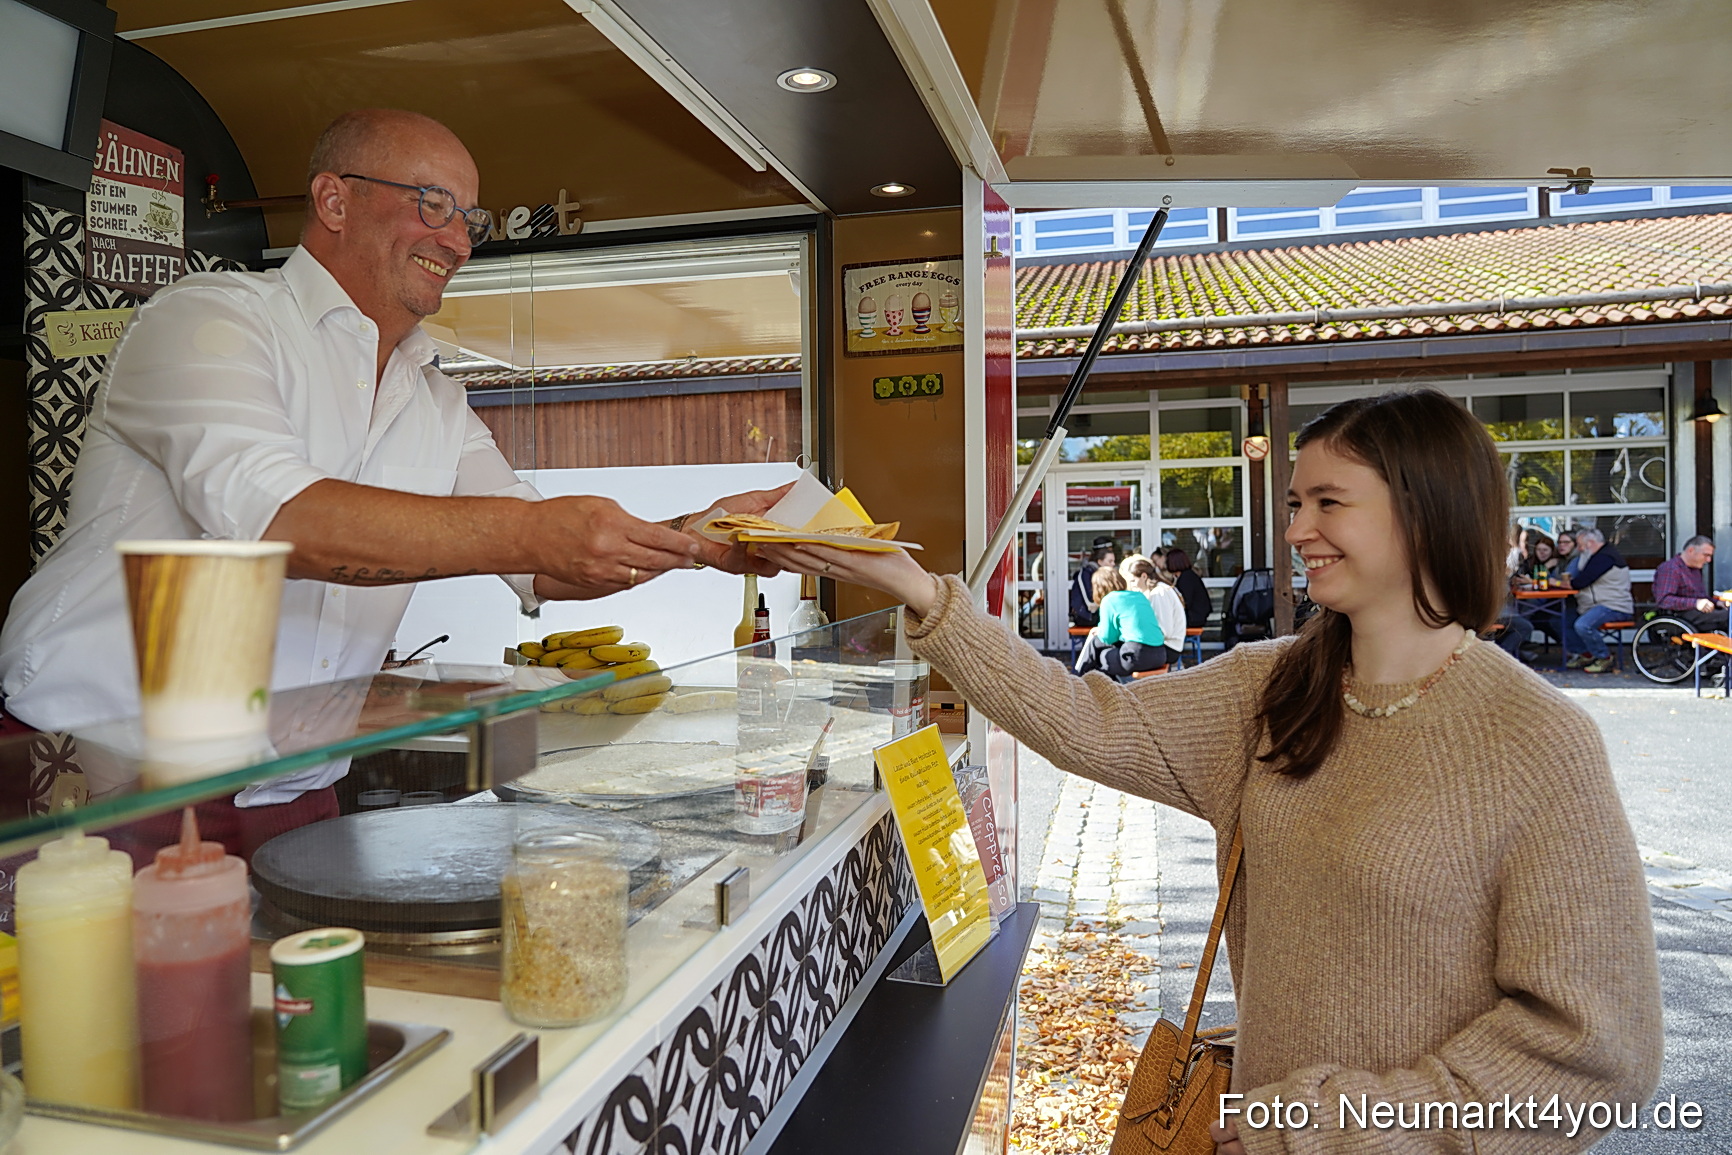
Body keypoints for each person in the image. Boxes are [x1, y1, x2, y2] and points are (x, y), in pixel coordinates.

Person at [757, 388, 1661, 1153]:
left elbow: (1597, 1051)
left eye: (1328, 502)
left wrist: (1322, 1125)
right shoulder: (1273, 689)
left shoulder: (1537, 741)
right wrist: (919, 589)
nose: (1297, 528)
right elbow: (1085, 718)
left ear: (1427, 512)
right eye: (1295, 502)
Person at [0, 109, 784, 816]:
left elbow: (543, 566)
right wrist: (533, 533)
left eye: (469, 218)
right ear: (334, 200)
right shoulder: (207, 320)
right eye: (433, 203)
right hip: (97, 775)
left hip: (292, 787)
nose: (458, 240)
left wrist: (696, 535)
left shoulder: (435, 399)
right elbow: (282, 523)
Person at [1073, 566, 1166, 679]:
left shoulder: (1109, 600)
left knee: (1101, 655)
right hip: (1160, 655)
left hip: (1136, 656)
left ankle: (1078, 678)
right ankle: (1080, 678)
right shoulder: (1139, 596)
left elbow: (1107, 638)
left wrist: (1100, 631)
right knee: (1101, 649)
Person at [1566, 527, 1634, 674]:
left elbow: (1580, 582)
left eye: (1580, 545)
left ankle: (1604, 658)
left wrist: (1559, 583)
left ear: (1590, 543)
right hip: (1596, 606)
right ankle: (1586, 654)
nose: (1579, 549)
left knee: (1583, 625)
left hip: (1614, 606)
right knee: (1564, 621)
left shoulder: (1605, 558)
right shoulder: (1597, 555)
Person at [1652, 535, 1729, 633]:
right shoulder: (1670, 569)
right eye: (1706, 555)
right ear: (1691, 550)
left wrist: (1717, 603)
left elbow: (1700, 597)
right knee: (1728, 617)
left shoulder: (1694, 570)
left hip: (1696, 614)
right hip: (1680, 616)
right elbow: (1664, 600)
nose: (1708, 560)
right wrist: (1695, 603)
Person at [1123, 554, 1187, 668]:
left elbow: (1164, 630)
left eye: (1133, 581)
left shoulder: (1159, 593)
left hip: (1169, 647)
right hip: (1164, 645)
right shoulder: (1156, 591)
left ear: (1144, 576)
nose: (1131, 586)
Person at [1069, 536, 1115, 629]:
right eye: (1110, 560)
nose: (1113, 564)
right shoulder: (1087, 573)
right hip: (1087, 616)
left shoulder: (1105, 573)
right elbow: (1091, 599)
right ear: (1100, 560)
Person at [1166, 547, 1212, 630]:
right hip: (1196, 616)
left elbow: (1185, 601)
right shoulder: (1188, 575)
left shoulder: (1186, 578)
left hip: (1193, 618)